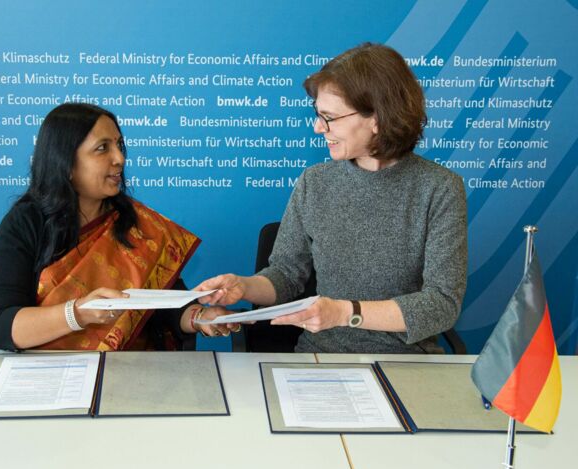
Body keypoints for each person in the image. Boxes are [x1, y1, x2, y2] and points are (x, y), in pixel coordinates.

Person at [198, 43, 467, 354]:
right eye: (317, 114)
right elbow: (286, 276)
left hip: (406, 365)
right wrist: (244, 286)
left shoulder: (439, 189)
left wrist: (344, 312)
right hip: (320, 360)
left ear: (377, 118)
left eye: (330, 117)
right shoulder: (315, 183)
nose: (318, 128)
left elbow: (442, 303)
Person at [0, 103, 236, 351]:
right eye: (103, 148)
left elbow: (163, 307)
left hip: (133, 370)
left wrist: (200, 317)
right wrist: (77, 314)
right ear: (66, 163)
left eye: (119, 146)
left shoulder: (136, 222)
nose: (120, 158)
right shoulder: (25, 223)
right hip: (50, 371)